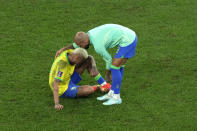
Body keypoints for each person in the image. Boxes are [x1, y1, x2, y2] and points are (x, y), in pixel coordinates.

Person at [55, 24, 137, 105]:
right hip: (128, 34)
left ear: (85, 42)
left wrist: (107, 75)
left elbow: (108, 59)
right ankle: (112, 93)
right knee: (119, 66)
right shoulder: (88, 35)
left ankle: (116, 97)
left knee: (115, 67)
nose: (80, 48)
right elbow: (76, 44)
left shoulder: (98, 46)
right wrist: (63, 49)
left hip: (128, 40)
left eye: (80, 46)